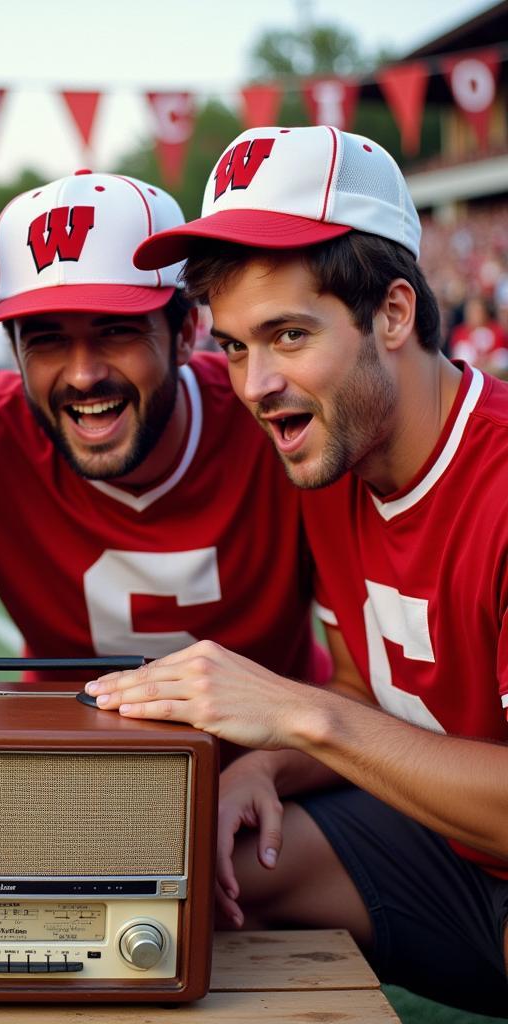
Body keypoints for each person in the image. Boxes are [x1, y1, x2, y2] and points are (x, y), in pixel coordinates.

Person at [86, 126, 508, 1015]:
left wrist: (296, 715)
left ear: (394, 313)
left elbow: (330, 710)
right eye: (236, 346)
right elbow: (361, 686)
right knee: (184, 880)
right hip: (444, 848)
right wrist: (265, 769)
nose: (254, 383)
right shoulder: (332, 447)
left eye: (288, 335)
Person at [0, 170, 325, 687]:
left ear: (184, 335)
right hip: (68, 762)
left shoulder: (276, 420)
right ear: (14, 350)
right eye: (47, 340)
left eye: (116, 331)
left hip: (274, 759)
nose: (85, 374)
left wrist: (272, 769)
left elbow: (361, 692)